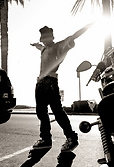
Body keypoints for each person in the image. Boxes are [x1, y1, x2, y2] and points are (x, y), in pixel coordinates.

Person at [31, 23, 93, 152]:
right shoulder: (43, 49)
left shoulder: (59, 46)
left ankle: (71, 138)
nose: (45, 40)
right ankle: (45, 139)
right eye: (43, 38)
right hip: (40, 84)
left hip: (50, 83)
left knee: (58, 112)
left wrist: (87, 27)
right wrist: (36, 45)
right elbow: (39, 47)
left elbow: (73, 37)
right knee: (41, 113)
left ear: (52, 37)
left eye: (47, 38)